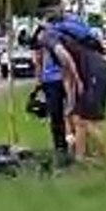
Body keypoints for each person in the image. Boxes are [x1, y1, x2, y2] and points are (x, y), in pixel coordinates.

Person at [37, 0, 106, 165]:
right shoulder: (63, 30)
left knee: (87, 120)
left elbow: (66, 60)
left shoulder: (49, 36)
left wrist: (78, 81)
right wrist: (71, 102)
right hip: (96, 71)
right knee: (79, 119)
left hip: (95, 72)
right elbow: (67, 74)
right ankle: (80, 159)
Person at [30, 25, 73, 166]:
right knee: (69, 113)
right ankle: (69, 146)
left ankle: (63, 148)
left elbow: (37, 61)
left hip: (53, 81)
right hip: (58, 79)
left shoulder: (44, 39)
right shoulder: (57, 36)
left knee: (57, 116)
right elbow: (37, 61)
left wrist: (39, 82)